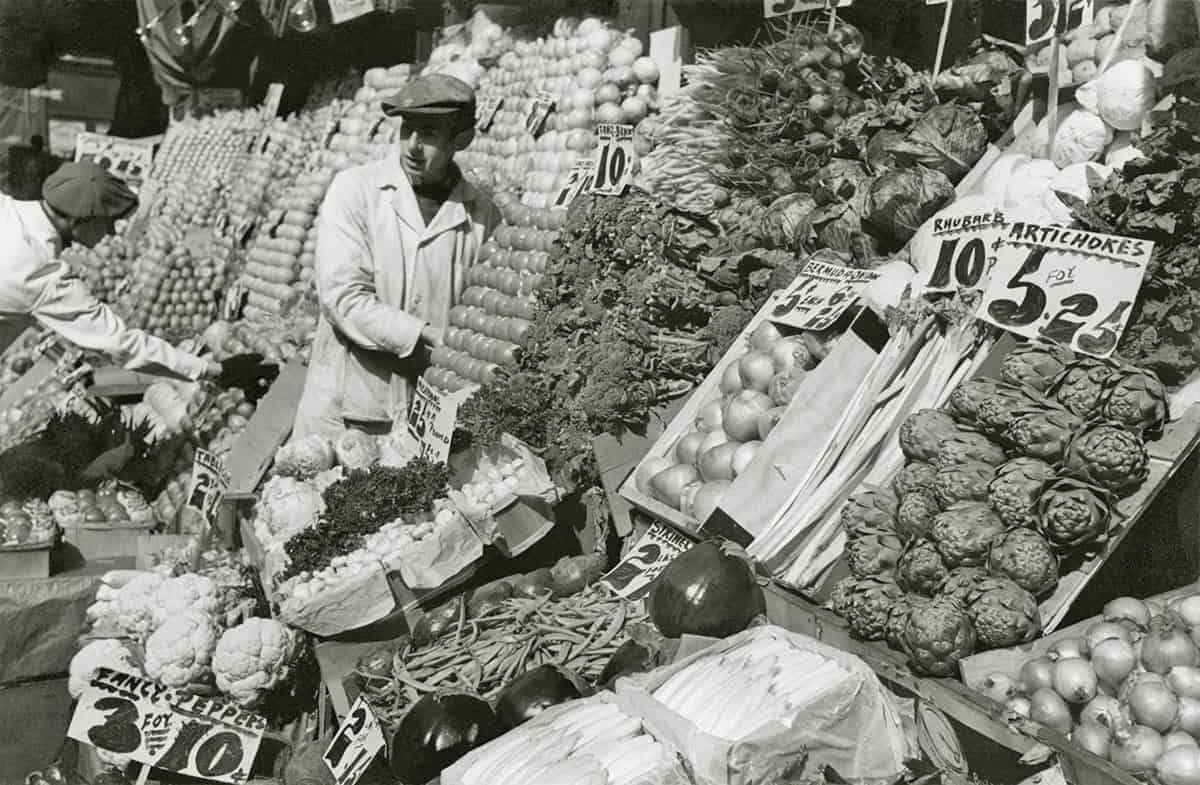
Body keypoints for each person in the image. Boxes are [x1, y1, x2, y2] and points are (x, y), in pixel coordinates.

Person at [292, 73, 500, 441]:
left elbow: (481, 311)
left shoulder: (482, 214)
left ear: (461, 139)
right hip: (347, 413)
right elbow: (343, 297)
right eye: (407, 130)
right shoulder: (355, 190)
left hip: (428, 413)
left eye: (431, 134)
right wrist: (423, 334)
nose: (413, 147)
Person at [0, 160, 224, 382]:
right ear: (80, 222)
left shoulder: (7, 207)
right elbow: (119, 343)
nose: (112, 233)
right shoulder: (41, 276)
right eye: (109, 222)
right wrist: (208, 369)